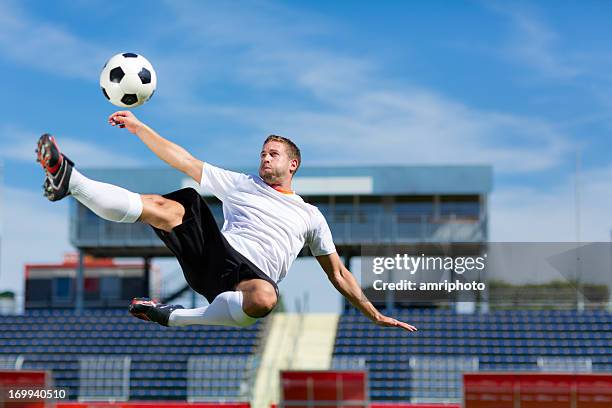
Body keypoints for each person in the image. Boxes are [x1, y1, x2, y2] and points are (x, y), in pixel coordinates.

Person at [36, 111, 417, 332]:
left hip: (249, 278)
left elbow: (339, 274)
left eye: (273, 154)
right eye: (262, 153)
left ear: (292, 164)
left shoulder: (310, 215)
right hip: (217, 255)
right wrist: (140, 127)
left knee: (265, 298)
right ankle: (71, 182)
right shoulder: (241, 184)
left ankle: (173, 317)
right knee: (174, 205)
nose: (265, 159)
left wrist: (373, 312)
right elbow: (183, 160)